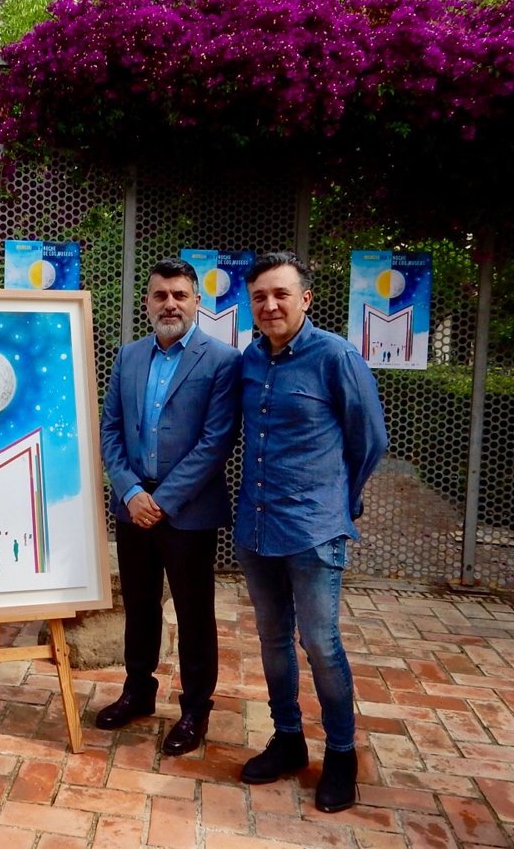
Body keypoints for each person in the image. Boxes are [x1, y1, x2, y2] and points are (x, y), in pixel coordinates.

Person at [235, 252, 387, 813]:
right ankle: (288, 739)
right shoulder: (250, 359)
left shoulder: (336, 357)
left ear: (305, 299)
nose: (270, 305)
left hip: (313, 531)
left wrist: (341, 501)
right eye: (259, 296)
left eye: (281, 294)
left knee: (320, 643)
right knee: (272, 639)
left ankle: (341, 755)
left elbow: (370, 440)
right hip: (256, 526)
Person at [98, 257, 242, 756]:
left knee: (194, 613)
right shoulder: (128, 357)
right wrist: (131, 492)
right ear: (147, 302)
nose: (170, 304)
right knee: (139, 607)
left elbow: (216, 441)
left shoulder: (222, 361)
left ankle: (195, 709)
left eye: (180, 295)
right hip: (133, 506)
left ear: (197, 301)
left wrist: (161, 501)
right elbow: (111, 430)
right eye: (160, 295)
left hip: (188, 512)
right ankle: (138, 691)